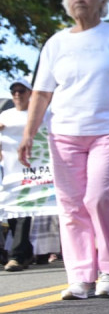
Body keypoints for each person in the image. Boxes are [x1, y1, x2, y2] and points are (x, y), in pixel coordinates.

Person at [18, 0, 109, 299]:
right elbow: (41, 95)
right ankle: (80, 276)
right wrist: (28, 135)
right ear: (67, 2)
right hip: (64, 134)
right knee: (71, 206)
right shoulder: (56, 43)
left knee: (100, 197)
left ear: (101, 1)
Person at [1, 79, 35, 271]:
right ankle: (26, 251)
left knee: (24, 211)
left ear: (30, 93)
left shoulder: (38, 114)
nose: (17, 95)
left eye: (21, 91)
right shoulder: (5, 115)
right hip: (10, 170)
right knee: (13, 212)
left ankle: (17, 256)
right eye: (13, 91)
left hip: (33, 171)